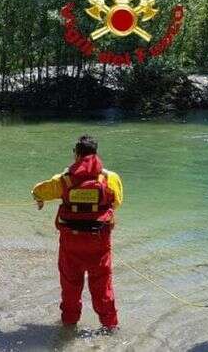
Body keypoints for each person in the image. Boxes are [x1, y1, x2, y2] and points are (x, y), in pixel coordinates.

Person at [31, 135, 123, 333]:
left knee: (70, 286)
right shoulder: (110, 178)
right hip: (99, 244)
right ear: (96, 153)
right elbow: (116, 203)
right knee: (102, 287)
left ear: (76, 154)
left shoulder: (63, 180)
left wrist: (38, 198)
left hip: (71, 244)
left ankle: (69, 326)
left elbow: (38, 190)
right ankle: (110, 328)